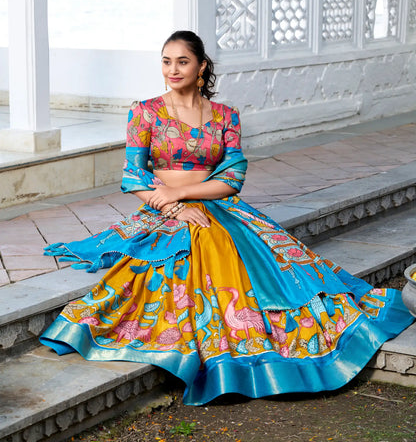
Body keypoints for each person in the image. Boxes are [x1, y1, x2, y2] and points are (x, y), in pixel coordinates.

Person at [40, 30, 413, 406]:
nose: (173, 69)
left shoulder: (225, 116)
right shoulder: (145, 111)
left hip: (220, 208)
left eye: (182, 61)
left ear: (201, 66)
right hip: (163, 209)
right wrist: (171, 207)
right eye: (166, 61)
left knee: (279, 267)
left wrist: (182, 193)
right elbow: (132, 176)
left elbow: (232, 179)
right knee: (187, 253)